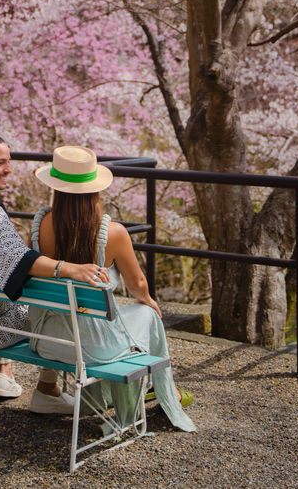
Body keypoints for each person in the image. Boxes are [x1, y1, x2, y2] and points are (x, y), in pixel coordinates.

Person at [0, 131, 109, 414]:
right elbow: (19, 261)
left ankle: (6, 373)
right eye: (1, 163)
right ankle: (50, 390)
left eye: (9, 162)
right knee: (50, 310)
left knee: (18, 297)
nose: (9, 169)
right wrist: (70, 268)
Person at [28, 144, 196, 432]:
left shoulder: (41, 223)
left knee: (95, 318)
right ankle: (166, 392)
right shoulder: (112, 233)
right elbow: (137, 284)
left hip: (46, 339)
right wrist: (147, 300)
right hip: (91, 348)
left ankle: (150, 391)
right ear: (94, 189)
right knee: (147, 316)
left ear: (56, 187)